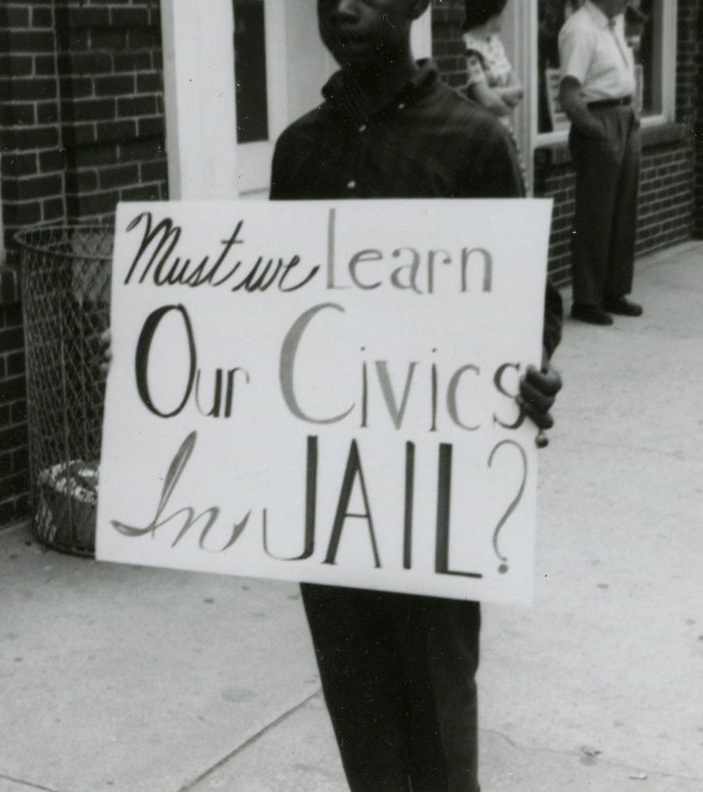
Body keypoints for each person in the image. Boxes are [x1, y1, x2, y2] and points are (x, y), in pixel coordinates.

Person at [270, 1, 564, 790]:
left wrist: (527, 370)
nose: (342, 5)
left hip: (437, 496)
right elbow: (267, 317)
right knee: (359, 712)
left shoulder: (474, 142)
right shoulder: (298, 151)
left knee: (436, 720)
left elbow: (530, 304)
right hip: (332, 494)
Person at [557, 0, 643, 325]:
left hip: (625, 117)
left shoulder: (613, 25)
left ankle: (613, 291)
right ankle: (587, 299)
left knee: (622, 210)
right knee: (595, 213)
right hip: (600, 121)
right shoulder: (580, 29)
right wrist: (596, 130)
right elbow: (569, 95)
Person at [462, 0, 528, 191]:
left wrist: (497, 94)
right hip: (483, 133)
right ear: (492, 13)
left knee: (515, 185)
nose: (505, 16)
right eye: (503, 11)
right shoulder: (469, 48)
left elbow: (519, 89)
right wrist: (502, 98)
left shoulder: (495, 45)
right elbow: (486, 101)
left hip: (505, 130)